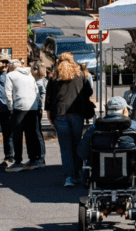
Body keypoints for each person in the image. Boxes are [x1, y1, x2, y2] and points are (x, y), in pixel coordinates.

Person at [47, 52, 94, 187]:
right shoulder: (80, 76)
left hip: (60, 115)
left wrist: (50, 119)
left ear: (58, 62)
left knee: (65, 147)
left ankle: (69, 177)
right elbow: (88, 93)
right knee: (77, 144)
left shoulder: (53, 77)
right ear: (73, 61)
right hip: (77, 114)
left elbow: (48, 102)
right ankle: (79, 172)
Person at [77, 96, 136, 166]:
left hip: (100, 174)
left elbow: (82, 152)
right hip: (129, 174)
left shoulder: (95, 127)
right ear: (125, 111)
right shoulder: (135, 126)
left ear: (107, 110)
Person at [4, 59, 42, 171]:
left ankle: (18, 161)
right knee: (31, 134)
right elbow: (36, 91)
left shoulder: (10, 75)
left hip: (19, 107)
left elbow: (8, 93)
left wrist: (10, 108)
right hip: (32, 107)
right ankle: (33, 159)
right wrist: (36, 105)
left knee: (17, 135)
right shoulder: (29, 75)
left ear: (11, 67)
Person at [31, 64, 47, 168]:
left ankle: (41, 157)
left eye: (32, 69)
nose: (30, 71)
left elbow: (42, 96)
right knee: (36, 131)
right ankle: (39, 156)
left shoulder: (39, 83)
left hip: (37, 109)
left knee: (37, 132)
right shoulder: (43, 81)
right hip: (37, 108)